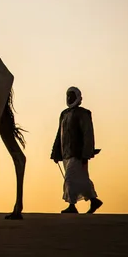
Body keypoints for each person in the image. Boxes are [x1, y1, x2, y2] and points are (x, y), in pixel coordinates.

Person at [50, 86, 103, 214]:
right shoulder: (64, 114)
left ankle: (72, 205)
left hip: (78, 153)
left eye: (72, 96)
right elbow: (60, 134)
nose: (69, 98)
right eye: (68, 96)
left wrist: (86, 153)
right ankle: (93, 200)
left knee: (70, 178)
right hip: (66, 153)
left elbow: (88, 133)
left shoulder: (83, 113)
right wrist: (55, 152)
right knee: (82, 179)